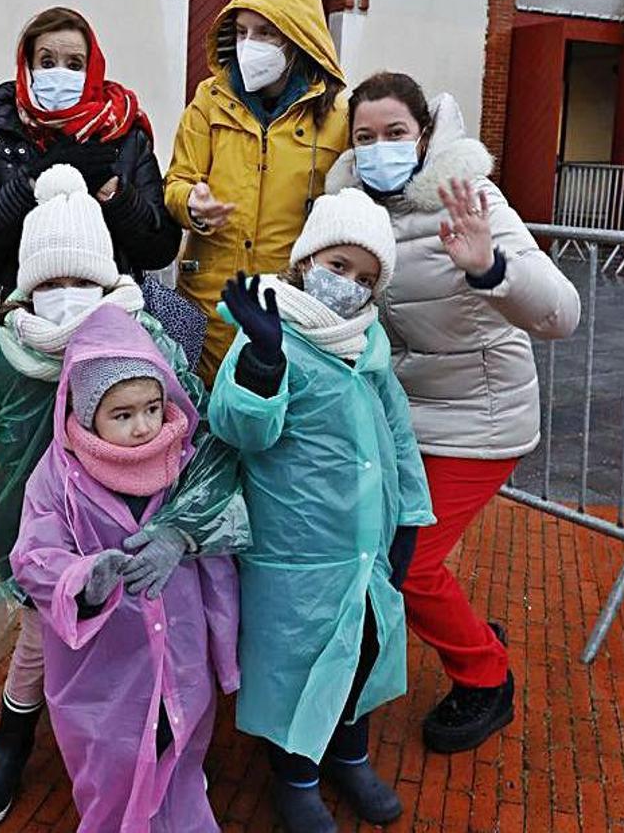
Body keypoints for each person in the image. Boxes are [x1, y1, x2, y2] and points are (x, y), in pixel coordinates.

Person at [0, 166, 243, 826]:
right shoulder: (8, 352)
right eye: (53, 284)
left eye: (82, 282)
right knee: (41, 644)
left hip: (131, 535)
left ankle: (168, 742)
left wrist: (180, 529)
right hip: (35, 536)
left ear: (108, 280)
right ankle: (12, 740)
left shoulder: (143, 343)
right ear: (28, 288)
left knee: (144, 647)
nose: (68, 296)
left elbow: (194, 430)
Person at [325, 72, 581, 753]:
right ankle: (451, 642)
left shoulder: (470, 198)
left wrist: (490, 268)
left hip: (483, 420)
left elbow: (561, 314)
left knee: (409, 563)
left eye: (396, 133)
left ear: (426, 135)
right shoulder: (354, 209)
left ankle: (486, 677)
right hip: (408, 419)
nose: (381, 148)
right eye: (366, 137)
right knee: (379, 551)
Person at [208, 189, 435, 833]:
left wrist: (411, 517)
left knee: (361, 651)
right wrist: (262, 361)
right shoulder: (272, 332)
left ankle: (349, 754)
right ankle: (295, 777)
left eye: (366, 278)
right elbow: (238, 428)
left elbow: (398, 439)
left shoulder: (370, 343)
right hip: (295, 552)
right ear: (307, 258)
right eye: (339, 265)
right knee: (297, 665)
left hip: (368, 544)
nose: (350, 286)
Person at [10, 304, 243, 832]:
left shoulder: (186, 461)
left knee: (180, 754)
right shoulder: (59, 479)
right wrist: (82, 580)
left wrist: (186, 535)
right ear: (87, 413)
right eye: (122, 414)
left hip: (184, 659)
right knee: (111, 771)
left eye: (153, 408)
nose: (143, 427)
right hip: (104, 674)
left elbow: (226, 514)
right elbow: (33, 555)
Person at [0, 6, 180, 343]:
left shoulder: (126, 139)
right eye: (47, 62)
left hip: (110, 328)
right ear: (29, 67)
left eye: (74, 65)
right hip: (16, 328)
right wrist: (33, 182)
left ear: (92, 70)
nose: (60, 74)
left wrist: (113, 192)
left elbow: (159, 248)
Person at [164, 0, 349, 386]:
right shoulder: (208, 101)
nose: (250, 45)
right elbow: (175, 182)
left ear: (299, 38)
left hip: (288, 309)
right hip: (208, 307)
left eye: (266, 33)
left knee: (269, 423)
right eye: (243, 32)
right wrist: (191, 203)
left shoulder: (337, 117)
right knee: (205, 428)